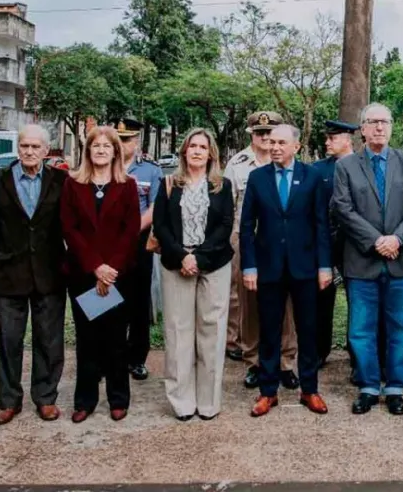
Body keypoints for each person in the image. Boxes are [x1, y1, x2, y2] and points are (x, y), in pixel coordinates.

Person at [333, 103, 403, 416]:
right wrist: (375, 241)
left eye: (384, 122)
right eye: (372, 122)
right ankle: (369, 387)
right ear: (362, 128)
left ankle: (396, 388)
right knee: (361, 329)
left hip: (401, 259)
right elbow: (343, 208)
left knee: (401, 327)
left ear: (391, 126)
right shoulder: (346, 166)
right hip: (362, 260)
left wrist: (396, 239)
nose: (379, 127)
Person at [241, 125, 331, 417]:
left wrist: (324, 265)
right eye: (271, 142)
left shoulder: (312, 177)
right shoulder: (257, 178)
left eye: (281, 142)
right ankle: (268, 392)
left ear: (296, 146)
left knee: (308, 330)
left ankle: (310, 390)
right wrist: (249, 266)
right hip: (268, 267)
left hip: (305, 267)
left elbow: (321, 224)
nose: (275, 147)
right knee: (269, 331)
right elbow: (246, 226)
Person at [0, 125, 69, 426]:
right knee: (9, 340)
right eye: (24, 146)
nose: (29, 151)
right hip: (11, 272)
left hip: (50, 272)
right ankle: (9, 401)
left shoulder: (61, 180)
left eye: (36, 147)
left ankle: (45, 398)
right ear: (18, 147)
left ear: (46, 151)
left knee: (49, 340)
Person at [60, 126, 141, 423]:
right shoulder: (73, 184)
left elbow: (131, 230)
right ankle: (85, 400)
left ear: (116, 152)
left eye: (107, 146)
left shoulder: (127, 185)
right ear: (88, 150)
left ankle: (118, 398)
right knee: (88, 339)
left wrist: (110, 270)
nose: (102, 150)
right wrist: (96, 267)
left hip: (119, 275)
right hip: (83, 273)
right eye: (96, 146)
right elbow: (70, 228)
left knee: (116, 338)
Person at [154, 128, 235, 421]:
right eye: (192, 146)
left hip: (214, 263)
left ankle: (208, 402)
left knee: (212, 331)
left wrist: (198, 258)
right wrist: (183, 256)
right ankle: (182, 402)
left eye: (202, 147)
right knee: (178, 332)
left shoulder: (222, 186)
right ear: (184, 152)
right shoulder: (168, 184)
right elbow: (161, 225)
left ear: (211, 153)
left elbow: (225, 226)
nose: (197, 151)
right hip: (176, 263)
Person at [224, 111, 299, 390]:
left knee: (286, 303)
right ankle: (254, 360)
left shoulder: (289, 160)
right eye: (260, 133)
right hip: (247, 241)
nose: (266, 138)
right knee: (249, 302)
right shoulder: (237, 164)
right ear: (251, 135)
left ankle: (286, 362)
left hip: (283, 243)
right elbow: (227, 206)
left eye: (270, 133)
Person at [117, 119, 165, 382]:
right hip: (108, 243)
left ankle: (136, 358)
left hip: (138, 242)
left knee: (138, 300)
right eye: (118, 139)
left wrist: (133, 230)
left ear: (136, 142)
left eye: (127, 139)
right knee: (105, 298)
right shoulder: (103, 165)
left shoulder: (150, 170)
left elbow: (155, 206)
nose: (122, 144)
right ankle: (106, 355)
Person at [312, 119, 358, 368]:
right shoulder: (318, 170)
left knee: (357, 300)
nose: (327, 142)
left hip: (355, 243)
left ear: (348, 139)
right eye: (326, 138)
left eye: (333, 138)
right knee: (322, 298)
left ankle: (357, 353)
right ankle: (320, 351)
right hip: (326, 242)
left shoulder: (362, 166)